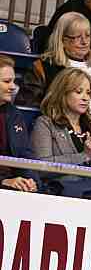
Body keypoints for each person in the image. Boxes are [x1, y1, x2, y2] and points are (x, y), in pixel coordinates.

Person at [18, 12, 91, 138]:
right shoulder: (44, 67)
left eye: (88, 36)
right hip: (73, 134)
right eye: (77, 37)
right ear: (62, 39)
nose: (84, 42)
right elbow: (29, 106)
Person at [31, 68, 91, 200]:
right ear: (63, 92)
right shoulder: (45, 123)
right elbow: (40, 167)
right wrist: (84, 156)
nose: (85, 98)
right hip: (60, 197)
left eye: (88, 93)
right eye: (78, 92)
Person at [0, 56, 40, 193]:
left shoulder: (14, 114)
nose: (13, 87)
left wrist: (31, 181)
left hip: (14, 186)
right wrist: (3, 181)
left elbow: (25, 155)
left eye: (13, 81)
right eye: (7, 81)